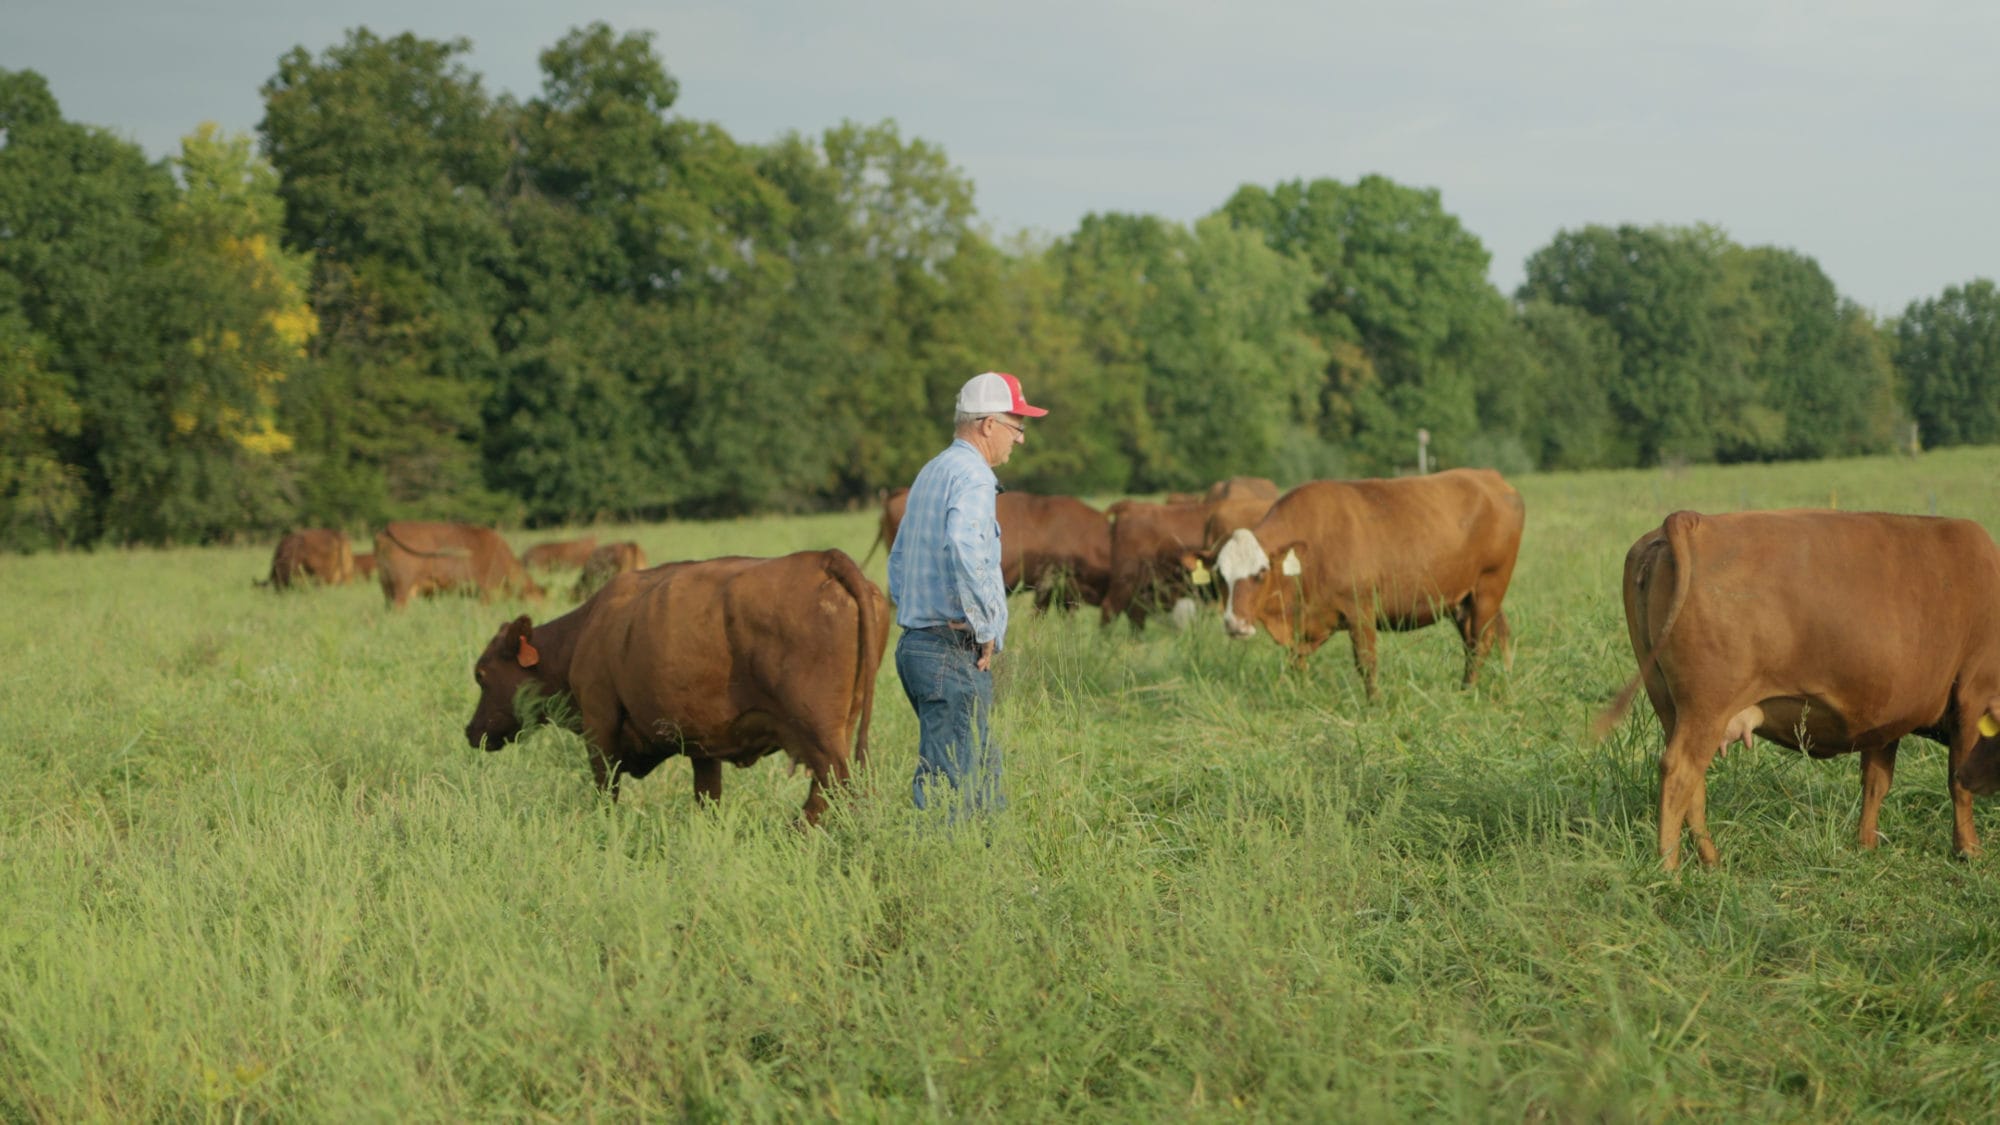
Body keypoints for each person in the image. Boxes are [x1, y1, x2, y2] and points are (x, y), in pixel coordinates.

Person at [887, 371, 1047, 816]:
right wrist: (987, 622)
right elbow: (965, 544)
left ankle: (982, 869)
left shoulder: (932, 471)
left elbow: (898, 560)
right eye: (1017, 428)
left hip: (916, 646)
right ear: (987, 424)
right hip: (951, 648)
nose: (1020, 440)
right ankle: (939, 876)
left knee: (973, 772)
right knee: (953, 783)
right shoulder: (973, 476)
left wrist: (918, 614)